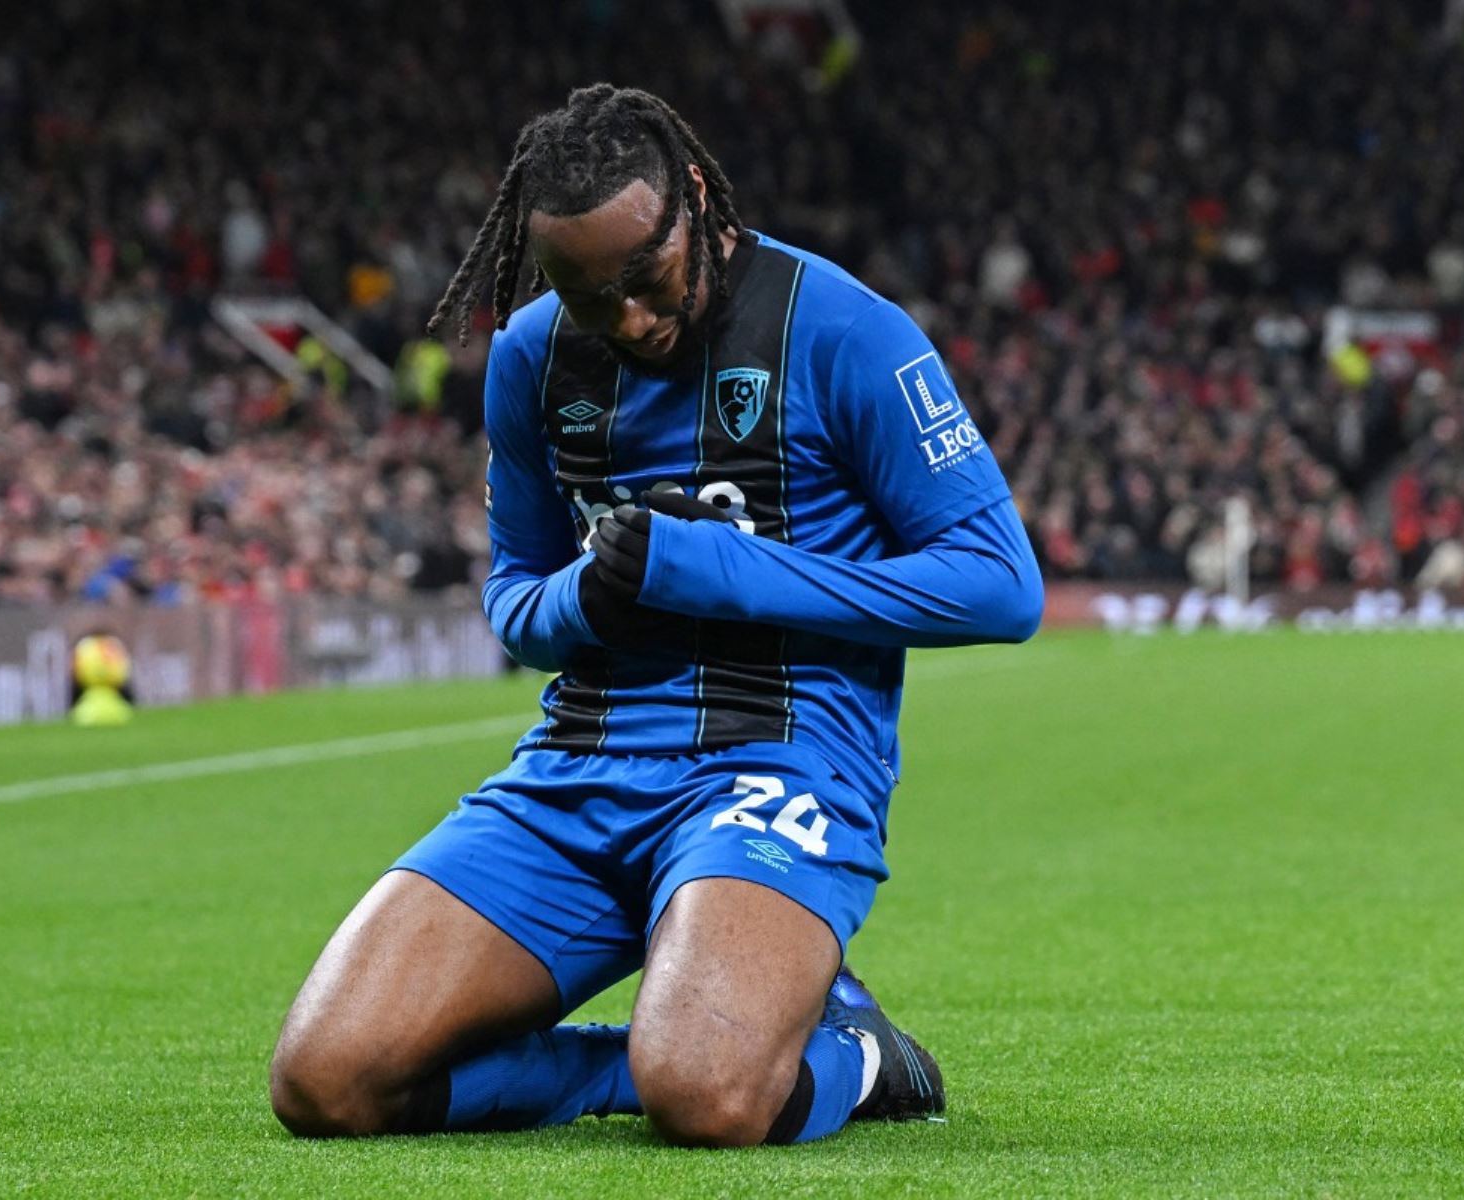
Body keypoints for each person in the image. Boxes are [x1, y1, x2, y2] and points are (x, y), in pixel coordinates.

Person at [269, 84, 1043, 1148]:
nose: (628, 320)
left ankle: (857, 1051)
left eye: (644, 278)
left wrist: (723, 569)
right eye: (588, 297)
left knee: (711, 1099)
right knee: (326, 1083)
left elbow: (1000, 585)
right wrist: (587, 593)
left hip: (780, 760)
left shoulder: (846, 332)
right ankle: (635, 1060)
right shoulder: (532, 358)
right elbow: (514, 604)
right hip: (578, 766)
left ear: (692, 199)